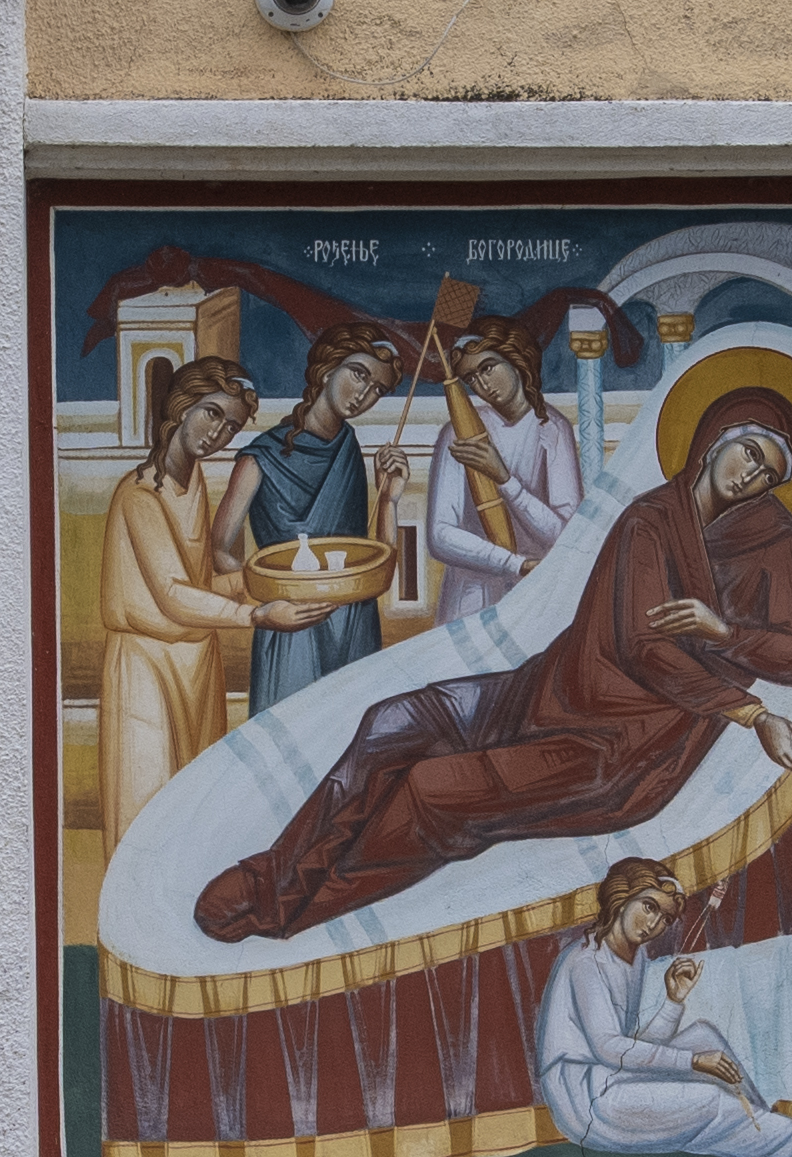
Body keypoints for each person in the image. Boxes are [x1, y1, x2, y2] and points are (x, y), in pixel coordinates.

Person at [196, 385, 792, 942]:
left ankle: (298, 914)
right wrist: (749, 704)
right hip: (549, 690)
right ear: (715, 442)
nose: (750, 476)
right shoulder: (650, 521)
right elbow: (638, 640)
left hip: (620, 747)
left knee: (429, 790)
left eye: (768, 471)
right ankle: (276, 879)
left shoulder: (776, 543)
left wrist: (725, 635)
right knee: (391, 722)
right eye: (748, 452)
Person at [87, 360, 316, 838]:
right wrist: (256, 613)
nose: (218, 433)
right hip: (146, 664)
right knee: (146, 807)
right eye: (211, 414)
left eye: (230, 425)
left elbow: (201, 582)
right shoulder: (139, 494)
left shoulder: (194, 486)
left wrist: (270, 578)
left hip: (197, 662)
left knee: (194, 809)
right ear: (181, 407)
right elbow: (172, 596)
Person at [531, 872, 792, 1157]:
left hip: (610, 1076)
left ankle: (761, 1119)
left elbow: (635, 1048)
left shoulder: (634, 960)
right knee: (709, 1099)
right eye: (649, 907)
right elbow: (610, 1049)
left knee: (705, 1036)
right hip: (585, 1099)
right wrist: (692, 1062)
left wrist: (673, 1002)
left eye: (664, 918)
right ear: (622, 899)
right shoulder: (587, 961)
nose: (654, 924)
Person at [235, 326, 415, 716]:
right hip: (292, 625)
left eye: (378, 390)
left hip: (353, 622)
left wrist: (389, 498)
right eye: (359, 374)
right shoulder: (260, 456)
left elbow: (376, 560)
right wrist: (265, 600)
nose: (364, 394)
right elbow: (220, 552)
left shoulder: (349, 447)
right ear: (328, 367)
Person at [405, 294, 585, 626]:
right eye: (471, 378)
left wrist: (504, 479)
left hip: (538, 596)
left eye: (487, 368)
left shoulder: (553, 429)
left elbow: (564, 532)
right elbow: (440, 535)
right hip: (471, 599)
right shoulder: (459, 431)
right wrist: (513, 564)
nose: (483, 385)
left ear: (515, 358)